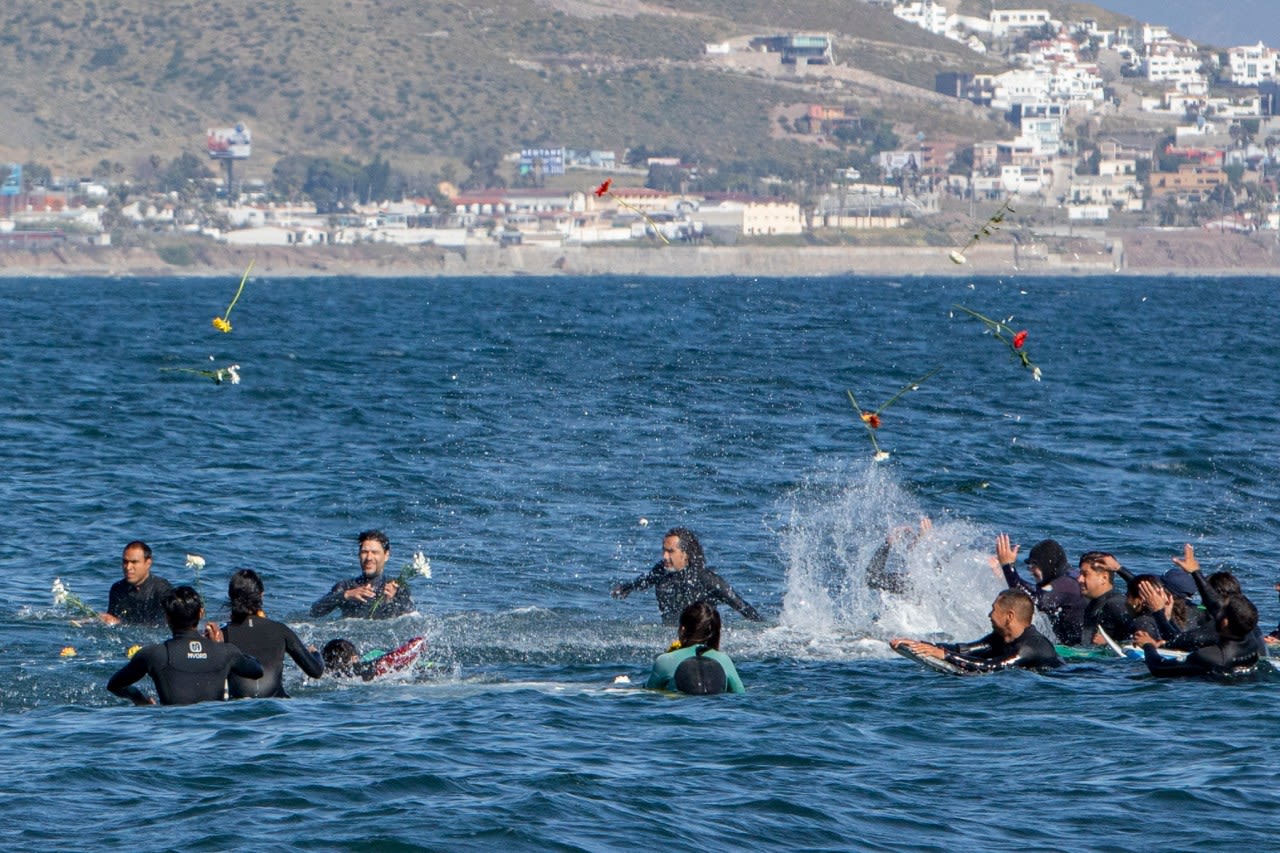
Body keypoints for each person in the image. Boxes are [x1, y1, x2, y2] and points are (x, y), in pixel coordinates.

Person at [106, 586, 263, 706]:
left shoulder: (154, 654)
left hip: (172, 730)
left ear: (167, 618)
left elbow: (114, 685)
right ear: (201, 613)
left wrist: (139, 699)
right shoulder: (226, 652)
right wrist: (220, 646)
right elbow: (256, 670)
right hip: (215, 731)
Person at [205, 569, 324, 698]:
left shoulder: (220, 635)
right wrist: (315, 653)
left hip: (238, 705)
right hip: (277, 706)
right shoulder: (280, 630)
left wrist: (213, 646)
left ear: (231, 597)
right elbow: (316, 671)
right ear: (261, 596)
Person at [612, 527, 762, 625]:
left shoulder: (706, 579)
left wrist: (764, 628)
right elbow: (643, 581)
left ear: (685, 554)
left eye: (670, 551)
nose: (664, 556)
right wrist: (627, 588)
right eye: (663, 550)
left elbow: (741, 606)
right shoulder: (660, 571)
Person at [891, 588, 1062, 673]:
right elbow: (964, 649)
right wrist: (920, 644)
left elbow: (991, 667)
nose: (989, 615)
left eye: (994, 610)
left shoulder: (1031, 646)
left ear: (1009, 616)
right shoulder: (1001, 638)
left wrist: (944, 656)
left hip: (1066, 679)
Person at [1141, 595, 1261, 679]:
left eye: (1221, 611)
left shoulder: (1209, 656)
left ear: (1225, 623)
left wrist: (1147, 645)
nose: (1216, 614)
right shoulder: (1251, 642)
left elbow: (1158, 668)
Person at [995, 535, 1085, 645]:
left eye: (1034, 565)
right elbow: (1035, 591)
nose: (1031, 570)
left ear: (1047, 564)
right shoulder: (1064, 577)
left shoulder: (1066, 584)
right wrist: (1005, 575)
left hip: (1078, 649)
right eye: (1030, 565)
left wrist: (1008, 567)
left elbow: (1033, 600)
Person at [310, 530, 413, 619]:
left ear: (386, 555)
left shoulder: (396, 587)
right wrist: (345, 595)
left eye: (375, 552)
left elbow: (412, 616)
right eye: (364, 552)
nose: (369, 558)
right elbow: (314, 612)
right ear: (359, 555)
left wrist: (392, 600)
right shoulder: (346, 587)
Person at [645, 602, 745, 694]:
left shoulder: (665, 660)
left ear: (682, 630)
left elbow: (650, 694)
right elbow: (740, 693)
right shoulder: (724, 660)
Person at [101, 541, 174, 626]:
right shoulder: (118, 589)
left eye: (134, 562)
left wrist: (121, 623)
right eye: (125, 562)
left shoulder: (162, 590)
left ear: (148, 563)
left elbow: (168, 625)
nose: (128, 567)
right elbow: (112, 621)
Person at [1077, 552, 1134, 646]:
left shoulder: (1116, 604)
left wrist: (1109, 644)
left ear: (1104, 578)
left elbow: (1141, 639)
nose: (1079, 579)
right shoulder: (1091, 603)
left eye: (1085, 574)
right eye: (1080, 574)